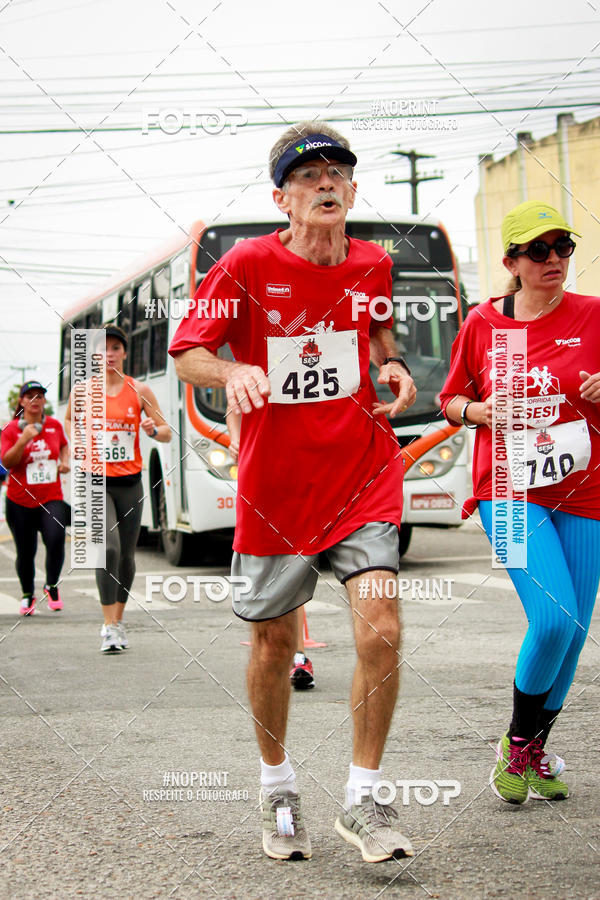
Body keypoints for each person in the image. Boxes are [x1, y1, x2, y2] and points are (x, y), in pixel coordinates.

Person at [170, 122, 417, 862]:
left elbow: (378, 330)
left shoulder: (373, 263)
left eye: (336, 171)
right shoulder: (246, 263)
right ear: (282, 198)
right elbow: (188, 352)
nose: (325, 182)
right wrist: (233, 371)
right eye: (307, 176)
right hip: (277, 488)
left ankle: (364, 800)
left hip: (362, 476)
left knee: (382, 628)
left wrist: (394, 366)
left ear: (352, 190)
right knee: (274, 643)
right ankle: (277, 787)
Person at [440, 200, 600, 805]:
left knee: (574, 633)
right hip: (506, 490)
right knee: (553, 619)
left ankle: (534, 750)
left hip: (585, 490)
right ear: (511, 262)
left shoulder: (595, 315)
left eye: (563, 247)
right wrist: (478, 411)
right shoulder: (483, 323)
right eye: (538, 250)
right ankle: (515, 744)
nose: (553, 259)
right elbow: (450, 399)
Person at [65, 324, 171, 652]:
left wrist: (152, 430)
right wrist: (77, 440)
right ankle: (109, 626)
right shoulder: (82, 391)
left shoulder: (139, 390)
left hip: (130, 483)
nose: (108, 354)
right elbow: (69, 420)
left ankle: (119, 619)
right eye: (102, 349)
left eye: (115, 348)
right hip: (95, 481)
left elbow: (166, 431)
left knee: (126, 555)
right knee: (107, 548)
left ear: (125, 352)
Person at [227, 406, 315, 691]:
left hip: (300, 474)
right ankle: (272, 652)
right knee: (265, 576)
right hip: (261, 481)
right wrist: (235, 438)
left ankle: (298, 657)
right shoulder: (252, 380)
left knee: (294, 566)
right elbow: (233, 406)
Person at [0, 381, 69, 615]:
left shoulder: (54, 426)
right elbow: (7, 462)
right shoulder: (11, 429)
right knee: (26, 551)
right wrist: (23, 440)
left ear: (44, 401)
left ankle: (51, 585)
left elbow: (63, 446)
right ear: (21, 401)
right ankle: (27, 594)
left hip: (51, 497)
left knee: (56, 538)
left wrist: (64, 462)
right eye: (29, 396)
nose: (35, 400)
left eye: (39, 396)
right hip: (19, 501)